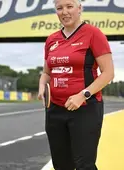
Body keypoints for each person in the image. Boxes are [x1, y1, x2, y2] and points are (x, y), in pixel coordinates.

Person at [37, 0, 114, 169]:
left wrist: (83, 95)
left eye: (69, 6)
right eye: (59, 8)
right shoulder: (51, 40)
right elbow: (46, 73)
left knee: (84, 165)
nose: (64, 12)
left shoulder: (93, 34)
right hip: (55, 110)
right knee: (61, 165)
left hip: (85, 108)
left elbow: (108, 73)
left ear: (80, 8)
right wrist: (42, 86)